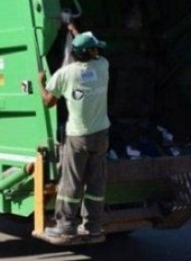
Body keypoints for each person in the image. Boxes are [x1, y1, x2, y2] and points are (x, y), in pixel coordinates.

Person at [38, 28, 110, 241]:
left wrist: (40, 83)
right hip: (101, 134)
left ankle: (66, 227)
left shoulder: (66, 74)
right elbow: (91, 52)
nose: (98, 51)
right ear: (91, 52)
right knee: (95, 183)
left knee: (71, 182)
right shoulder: (102, 67)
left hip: (78, 137)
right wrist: (74, 30)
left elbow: (49, 102)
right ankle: (93, 227)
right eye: (95, 48)